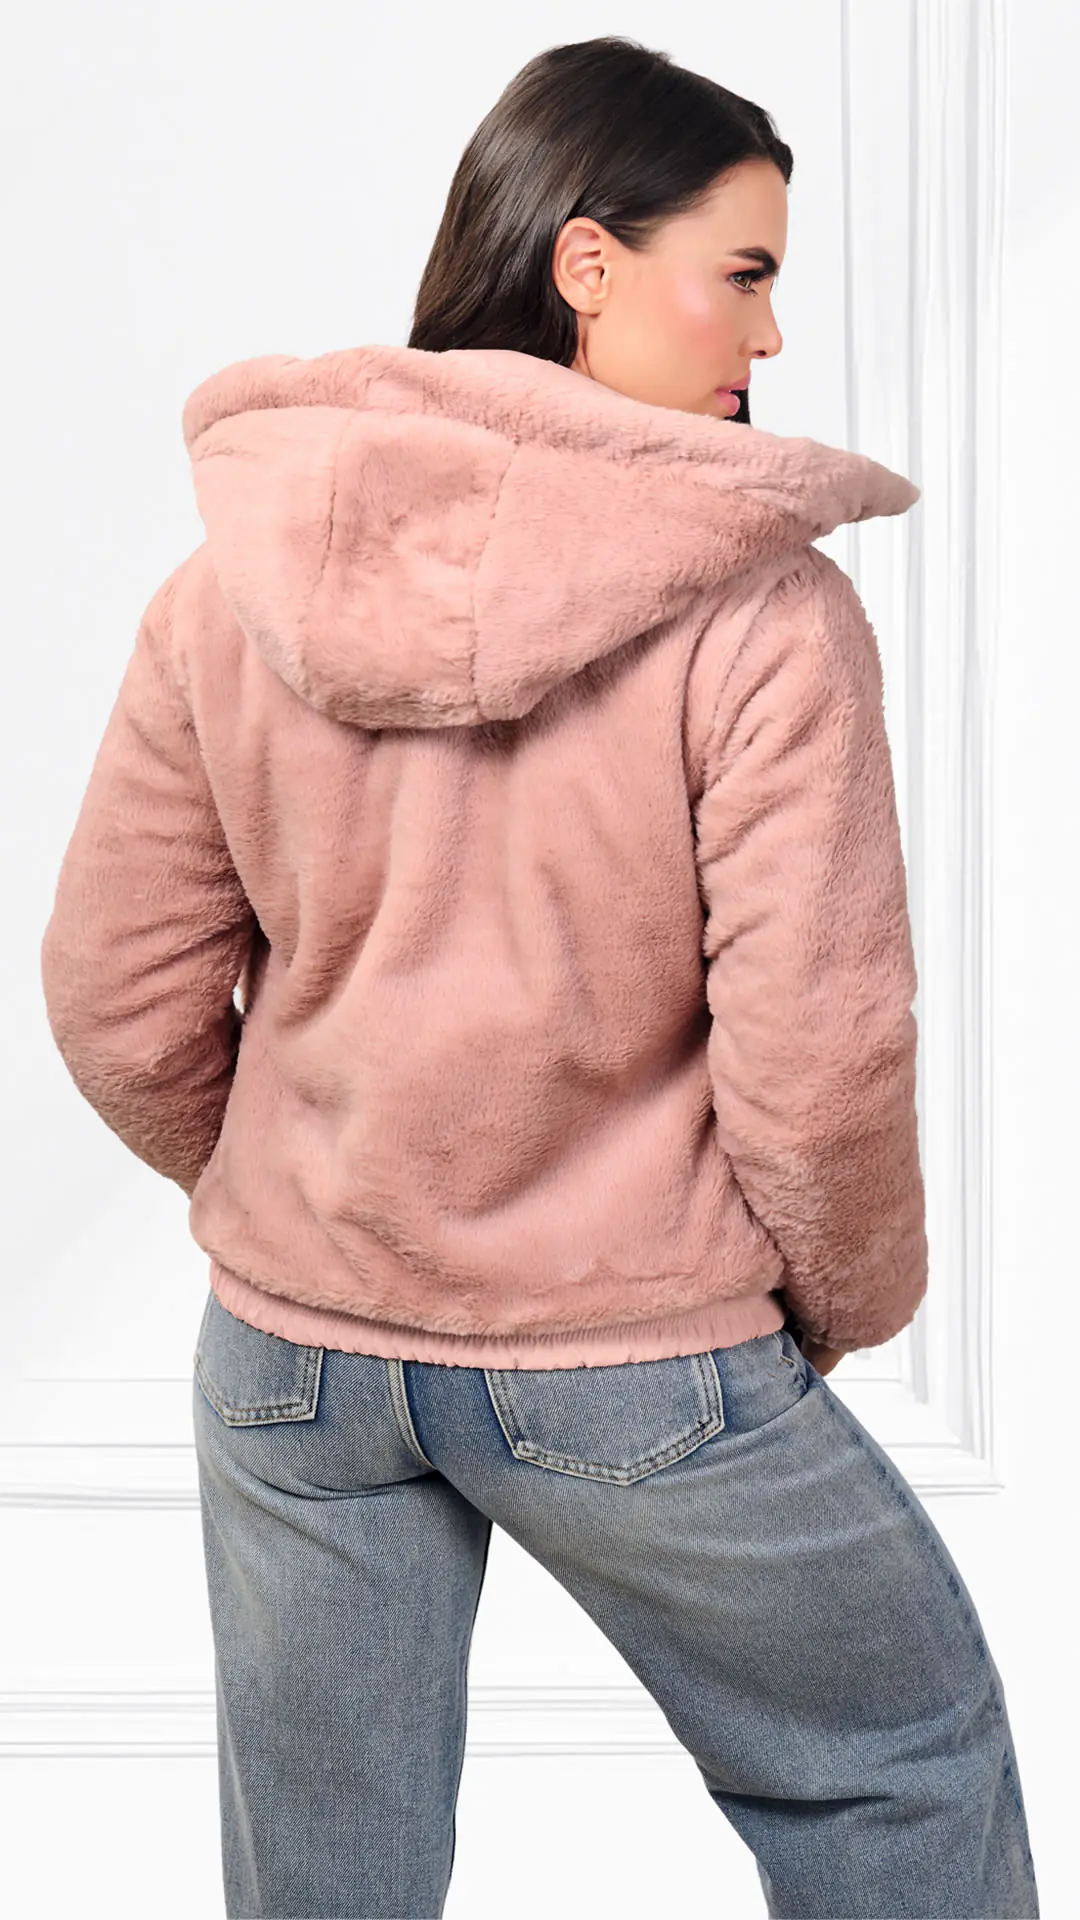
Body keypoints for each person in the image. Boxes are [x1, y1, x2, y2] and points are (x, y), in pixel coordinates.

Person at [39, 34, 1039, 1920]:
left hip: (292, 1357)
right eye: (742, 272)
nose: (769, 332)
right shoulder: (762, 615)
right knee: (899, 1760)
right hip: (626, 1355)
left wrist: (308, 1194)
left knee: (326, 1881)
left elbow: (113, 991)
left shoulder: (228, 584)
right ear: (588, 263)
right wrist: (837, 1305)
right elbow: (820, 1060)